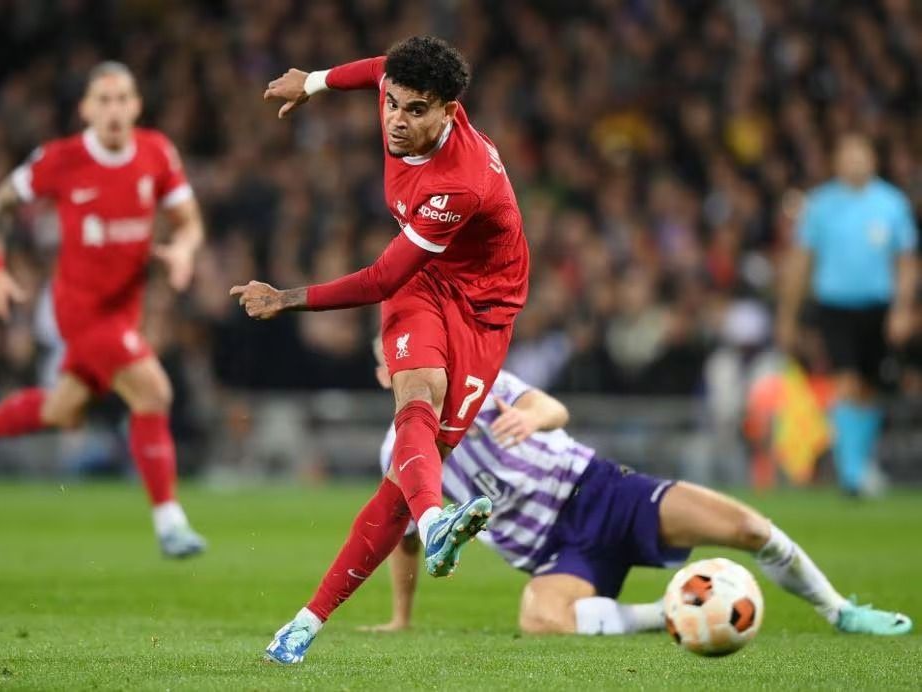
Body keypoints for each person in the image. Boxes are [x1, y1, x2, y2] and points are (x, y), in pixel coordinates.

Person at [232, 36, 529, 663]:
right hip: (425, 284)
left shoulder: (459, 184)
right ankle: (436, 522)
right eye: (392, 103)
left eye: (415, 109)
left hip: (483, 311)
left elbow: (379, 280)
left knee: (401, 483)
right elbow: (377, 70)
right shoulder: (397, 94)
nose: (396, 118)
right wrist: (312, 81)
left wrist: (286, 298)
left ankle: (307, 622)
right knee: (417, 392)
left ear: (449, 111)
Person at [366, 355, 912, 637]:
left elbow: (555, 410)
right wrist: (401, 617)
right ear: (384, 373)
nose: (414, 368)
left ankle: (840, 611)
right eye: (398, 360)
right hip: (556, 556)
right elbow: (406, 536)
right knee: (539, 617)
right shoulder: (398, 454)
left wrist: (533, 417)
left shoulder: (477, 381)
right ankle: (672, 614)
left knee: (746, 527)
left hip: (601, 493)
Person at [0, 62, 207, 558]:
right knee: (153, 391)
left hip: (126, 310)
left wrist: (185, 248)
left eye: (123, 99)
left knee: (64, 410)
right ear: (84, 108)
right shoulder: (61, 159)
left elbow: (188, 220)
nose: (114, 110)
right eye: (103, 100)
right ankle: (170, 521)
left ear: (137, 106)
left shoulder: (156, 152)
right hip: (79, 308)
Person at [777, 133, 918, 496]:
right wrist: (788, 316)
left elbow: (905, 261)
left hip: (878, 307)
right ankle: (853, 474)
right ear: (836, 161)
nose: (855, 161)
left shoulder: (892, 204)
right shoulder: (820, 206)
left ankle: (858, 462)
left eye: (861, 154)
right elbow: (801, 263)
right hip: (835, 306)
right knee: (846, 382)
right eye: (847, 154)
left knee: (868, 390)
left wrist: (903, 308)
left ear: (873, 159)